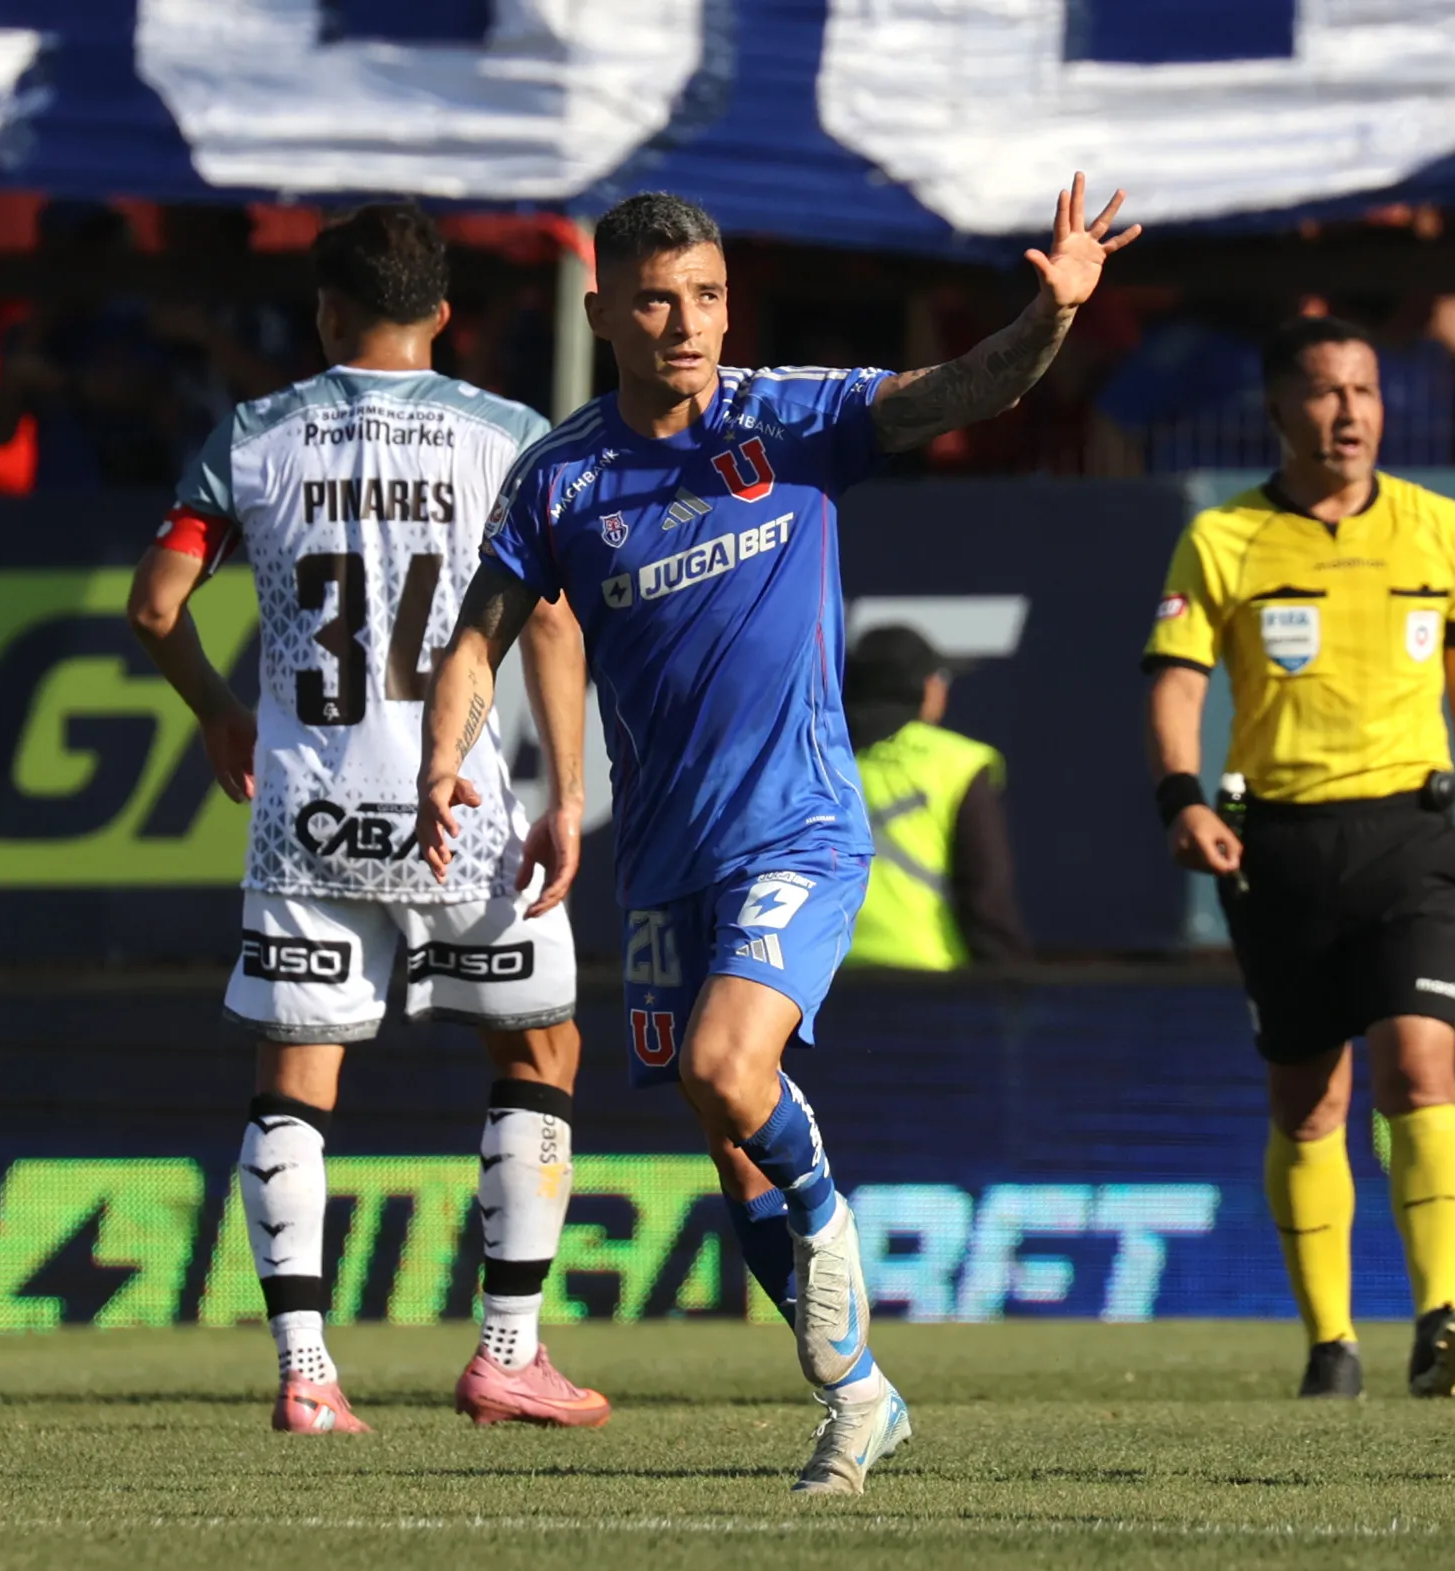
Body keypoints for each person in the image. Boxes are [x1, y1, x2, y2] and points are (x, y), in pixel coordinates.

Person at [418, 177, 1140, 1493]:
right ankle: (856, 1392)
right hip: (664, 857)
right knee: (722, 1122)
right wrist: (440, 760)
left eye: (703, 296)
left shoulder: (789, 417)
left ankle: (827, 1226)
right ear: (605, 311)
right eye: (654, 299)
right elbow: (482, 637)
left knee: (724, 1065)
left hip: (796, 823)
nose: (684, 322)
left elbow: (962, 388)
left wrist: (1049, 311)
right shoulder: (562, 474)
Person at [124, 204, 601, 1435]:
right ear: (443, 313)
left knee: (295, 1082)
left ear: (325, 311)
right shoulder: (510, 436)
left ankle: (307, 1375)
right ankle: (507, 1350)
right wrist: (566, 793)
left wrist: (222, 715)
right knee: (537, 1054)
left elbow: (156, 606)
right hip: (467, 807)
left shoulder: (256, 436)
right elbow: (549, 617)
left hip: (310, 806)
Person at [1145, 314, 1455, 1401]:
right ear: (1278, 409)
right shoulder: (1223, 539)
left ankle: (1441, 1314)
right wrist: (1181, 795)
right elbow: (1174, 681)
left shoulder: (1442, 528)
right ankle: (1331, 1344)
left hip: (1412, 838)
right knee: (1309, 1101)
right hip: (1281, 846)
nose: (1348, 411)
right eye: (1322, 391)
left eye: (1363, 389)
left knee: (1420, 1070)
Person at [843, 624, 1029, 970]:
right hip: (928, 981)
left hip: (821, 982)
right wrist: (1011, 985)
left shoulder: (812, 759)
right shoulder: (958, 764)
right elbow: (985, 895)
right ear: (926, 687)